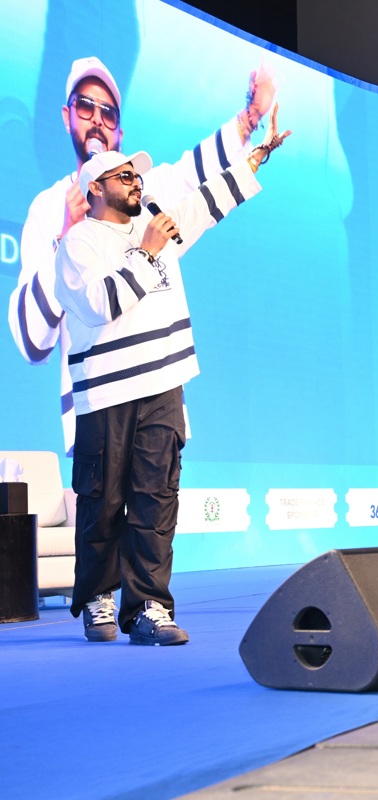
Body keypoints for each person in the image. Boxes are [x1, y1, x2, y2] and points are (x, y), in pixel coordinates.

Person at [57, 109, 289, 645]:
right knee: (102, 504)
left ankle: (149, 609)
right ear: (96, 189)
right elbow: (101, 304)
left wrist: (259, 154)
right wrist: (147, 252)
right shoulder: (79, 243)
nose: (136, 182)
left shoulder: (158, 223)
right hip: (107, 391)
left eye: (138, 175)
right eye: (124, 176)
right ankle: (98, 597)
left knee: (156, 500)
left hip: (164, 384)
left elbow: (208, 201)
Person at [8, 55, 276, 454]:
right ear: (67, 116)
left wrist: (252, 116)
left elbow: (196, 176)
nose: (97, 120)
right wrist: (66, 235)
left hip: (156, 403)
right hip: (96, 410)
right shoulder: (48, 209)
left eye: (108, 113)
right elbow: (32, 341)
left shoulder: (145, 190)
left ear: (120, 131)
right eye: (86, 106)